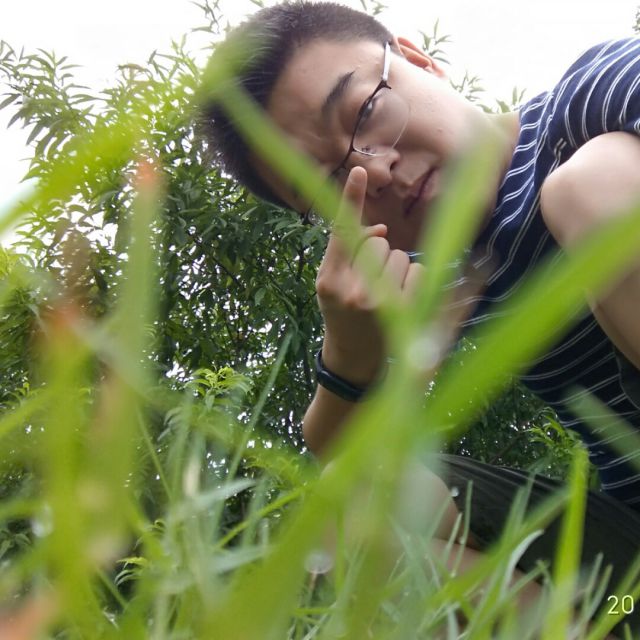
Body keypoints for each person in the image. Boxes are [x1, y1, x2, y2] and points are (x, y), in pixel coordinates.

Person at [199, 0, 640, 631]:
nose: (374, 169)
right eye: (326, 184)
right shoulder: (432, 282)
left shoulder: (584, 104)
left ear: (416, 60)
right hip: (626, 553)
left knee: (592, 186)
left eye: (365, 113)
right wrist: (350, 356)